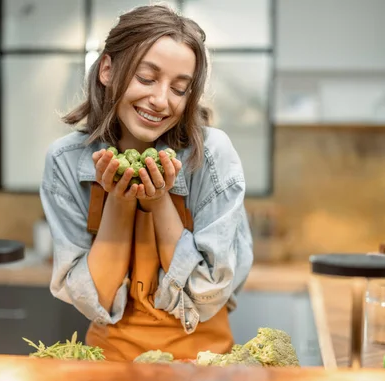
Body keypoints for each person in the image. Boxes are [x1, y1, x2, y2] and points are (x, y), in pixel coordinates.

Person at [40, 4, 254, 362]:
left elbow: (208, 293)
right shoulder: (64, 161)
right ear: (108, 69)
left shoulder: (213, 156)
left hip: (202, 367)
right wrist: (120, 202)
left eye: (179, 88)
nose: (161, 100)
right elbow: (94, 298)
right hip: (108, 366)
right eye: (147, 78)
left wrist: (158, 202)